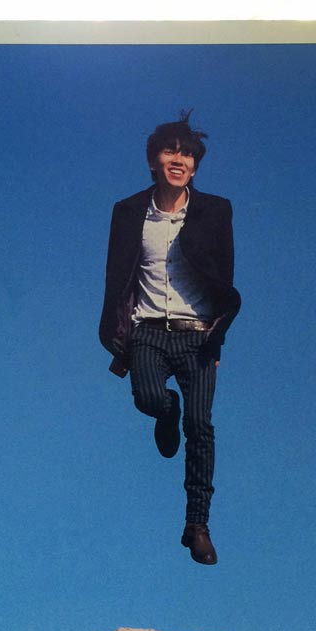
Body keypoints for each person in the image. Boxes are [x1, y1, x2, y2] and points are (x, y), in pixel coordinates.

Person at [99, 111, 240, 565]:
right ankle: (167, 408)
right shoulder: (127, 212)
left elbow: (223, 277)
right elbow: (116, 275)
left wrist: (218, 338)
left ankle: (197, 525)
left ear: (195, 167)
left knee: (200, 426)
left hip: (197, 334)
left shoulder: (215, 211)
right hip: (147, 331)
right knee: (148, 397)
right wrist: (116, 329)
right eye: (170, 152)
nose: (179, 160)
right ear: (153, 161)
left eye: (187, 155)